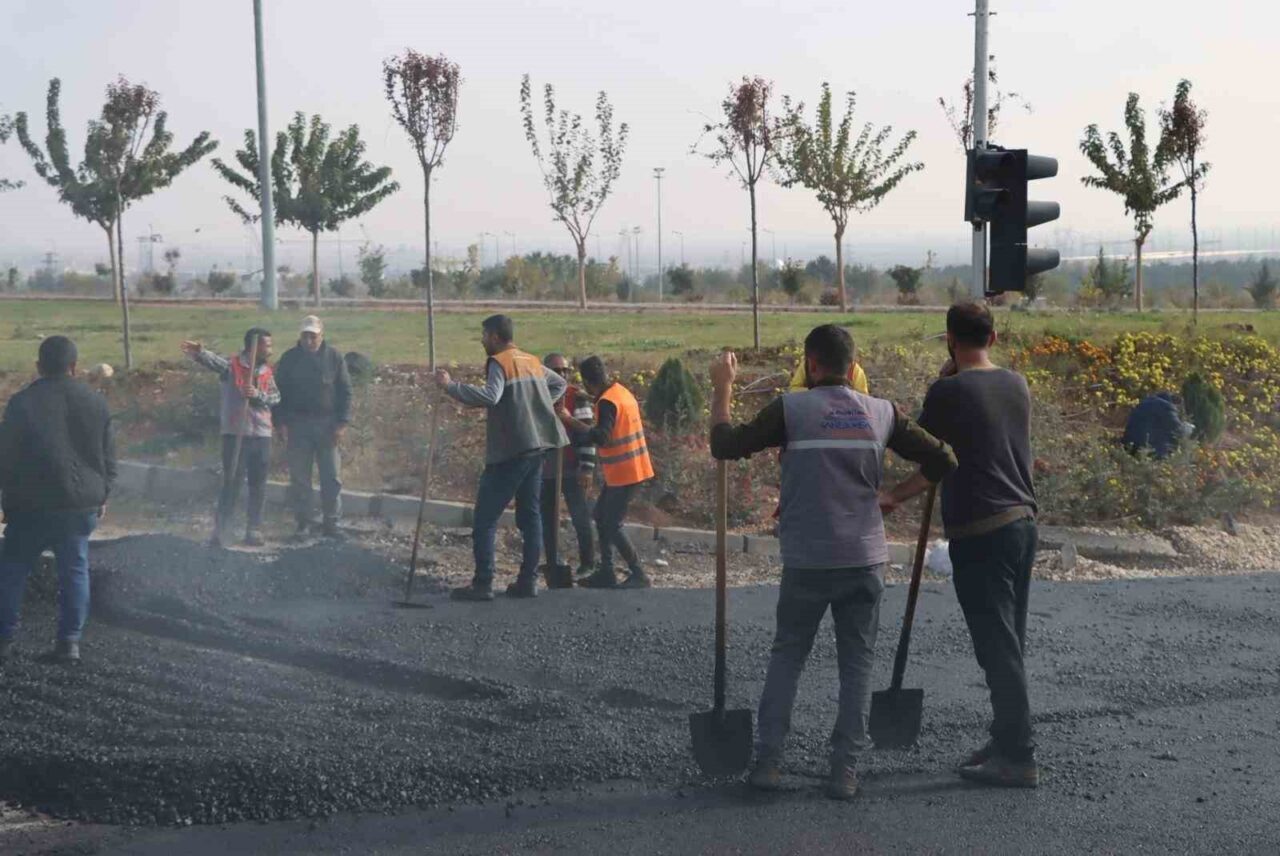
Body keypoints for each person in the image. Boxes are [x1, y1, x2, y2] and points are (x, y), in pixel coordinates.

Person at [710, 325, 956, 799]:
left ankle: (768, 764)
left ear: (811, 364)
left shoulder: (792, 409)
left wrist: (723, 386)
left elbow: (726, 444)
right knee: (857, 666)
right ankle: (844, 772)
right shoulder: (883, 413)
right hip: (864, 560)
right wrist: (894, 497)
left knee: (788, 657)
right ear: (854, 365)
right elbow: (943, 458)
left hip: (807, 560)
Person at [880, 301, 1040, 788]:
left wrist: (894, 497)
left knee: (997, 647)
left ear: (950, 338)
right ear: (992, 339)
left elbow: (931, 456)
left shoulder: (948, 391)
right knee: (1008, 641)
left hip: (982, 529)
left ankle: (1018, 755)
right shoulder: (1017, 383)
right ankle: (1004, 738)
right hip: (1023, 523)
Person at [434, 315, 568, 601]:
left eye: (484, 335)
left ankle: (483, 583)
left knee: (485, 518)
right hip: (538, 448)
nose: (482, 340)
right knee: (530, 516)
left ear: (495, 336)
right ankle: (527, 582)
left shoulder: (499, 362)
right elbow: (558, 385)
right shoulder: (531, 360)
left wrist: (450, 387)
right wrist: (535, 406)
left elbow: (491, 396)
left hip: (512, 451)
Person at [0, 336, 116, 664]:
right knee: (75, 570)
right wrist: (103, 493)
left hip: (31, 506)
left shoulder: (22, 403)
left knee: (12, 570)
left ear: (39, 367)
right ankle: (69, 644)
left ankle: (4, 641)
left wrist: (5, 497)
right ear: (74, 367)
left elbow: (6, 456)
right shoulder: (96, 402)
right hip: (81, 504)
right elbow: (108, 457)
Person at [560, 356, 656, 590]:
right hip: (629, 469)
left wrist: (569, 420)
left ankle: (638, 573)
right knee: (601, 516)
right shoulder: (620, 392)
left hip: (626, 472)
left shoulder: (607, 402)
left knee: (611, 523)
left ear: (587, 380)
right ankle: (607, 571)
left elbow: (602, 436)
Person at [181, 328, 280, 547]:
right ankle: (223, 528)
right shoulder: (233, 367)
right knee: (232, 482)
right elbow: (215, 363)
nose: (270, 351)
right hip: (236, 434)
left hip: (261, 435)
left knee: (258, 484)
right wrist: (201, 353)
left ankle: (254, 529)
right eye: (267, 346)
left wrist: (258, 395)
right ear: (253, 347)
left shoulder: (266, 371)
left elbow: (275, 397)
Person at [274, 315, 351, 539]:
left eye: (313, 336)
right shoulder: (289, 359)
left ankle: (332, 523)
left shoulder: (334, 357)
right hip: (297, 425)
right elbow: (277, 394)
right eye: (305, 336)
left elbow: (346, 392)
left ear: (321, 335)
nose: (308, 340)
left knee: (332, 476)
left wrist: (342, 423)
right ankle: (303, 524)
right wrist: (280, 423)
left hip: (327, 426)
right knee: (300, 478)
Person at [540, 353, 597, 587]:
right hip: (547, 469)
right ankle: (553, 560)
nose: (561, 374)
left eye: (564, 370)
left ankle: (588, 563)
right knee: (548, 518)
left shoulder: (577, 397)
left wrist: (587, 468)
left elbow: (588, 434)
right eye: (556, 370)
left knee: (580, 517)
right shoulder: (539, 397)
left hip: (573, 467)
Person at [1122, 392, 1187, 460]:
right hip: (1148, 449)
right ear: (1175, 403)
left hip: (1129, 446)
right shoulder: (1167, 407)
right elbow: (1177, 428)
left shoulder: (1143, 404)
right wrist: (1186, 429)